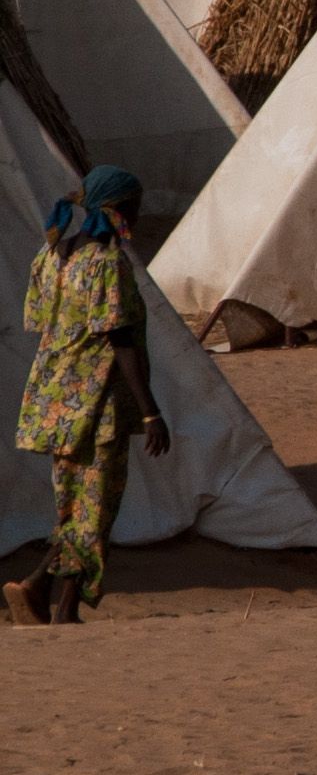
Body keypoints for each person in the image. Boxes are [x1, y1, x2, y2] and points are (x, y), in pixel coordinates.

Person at [13, 165, 167, 626]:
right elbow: (119, 339)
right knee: (95, 507)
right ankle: (60, 605)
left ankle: (44, 590)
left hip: (53, 401)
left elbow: (41, 322)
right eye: (133, 206)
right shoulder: (106, 263)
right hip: (96, 404)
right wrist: (150, 412)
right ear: (115, 208)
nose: (137, 215)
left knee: (72, 505)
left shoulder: (50, 256)